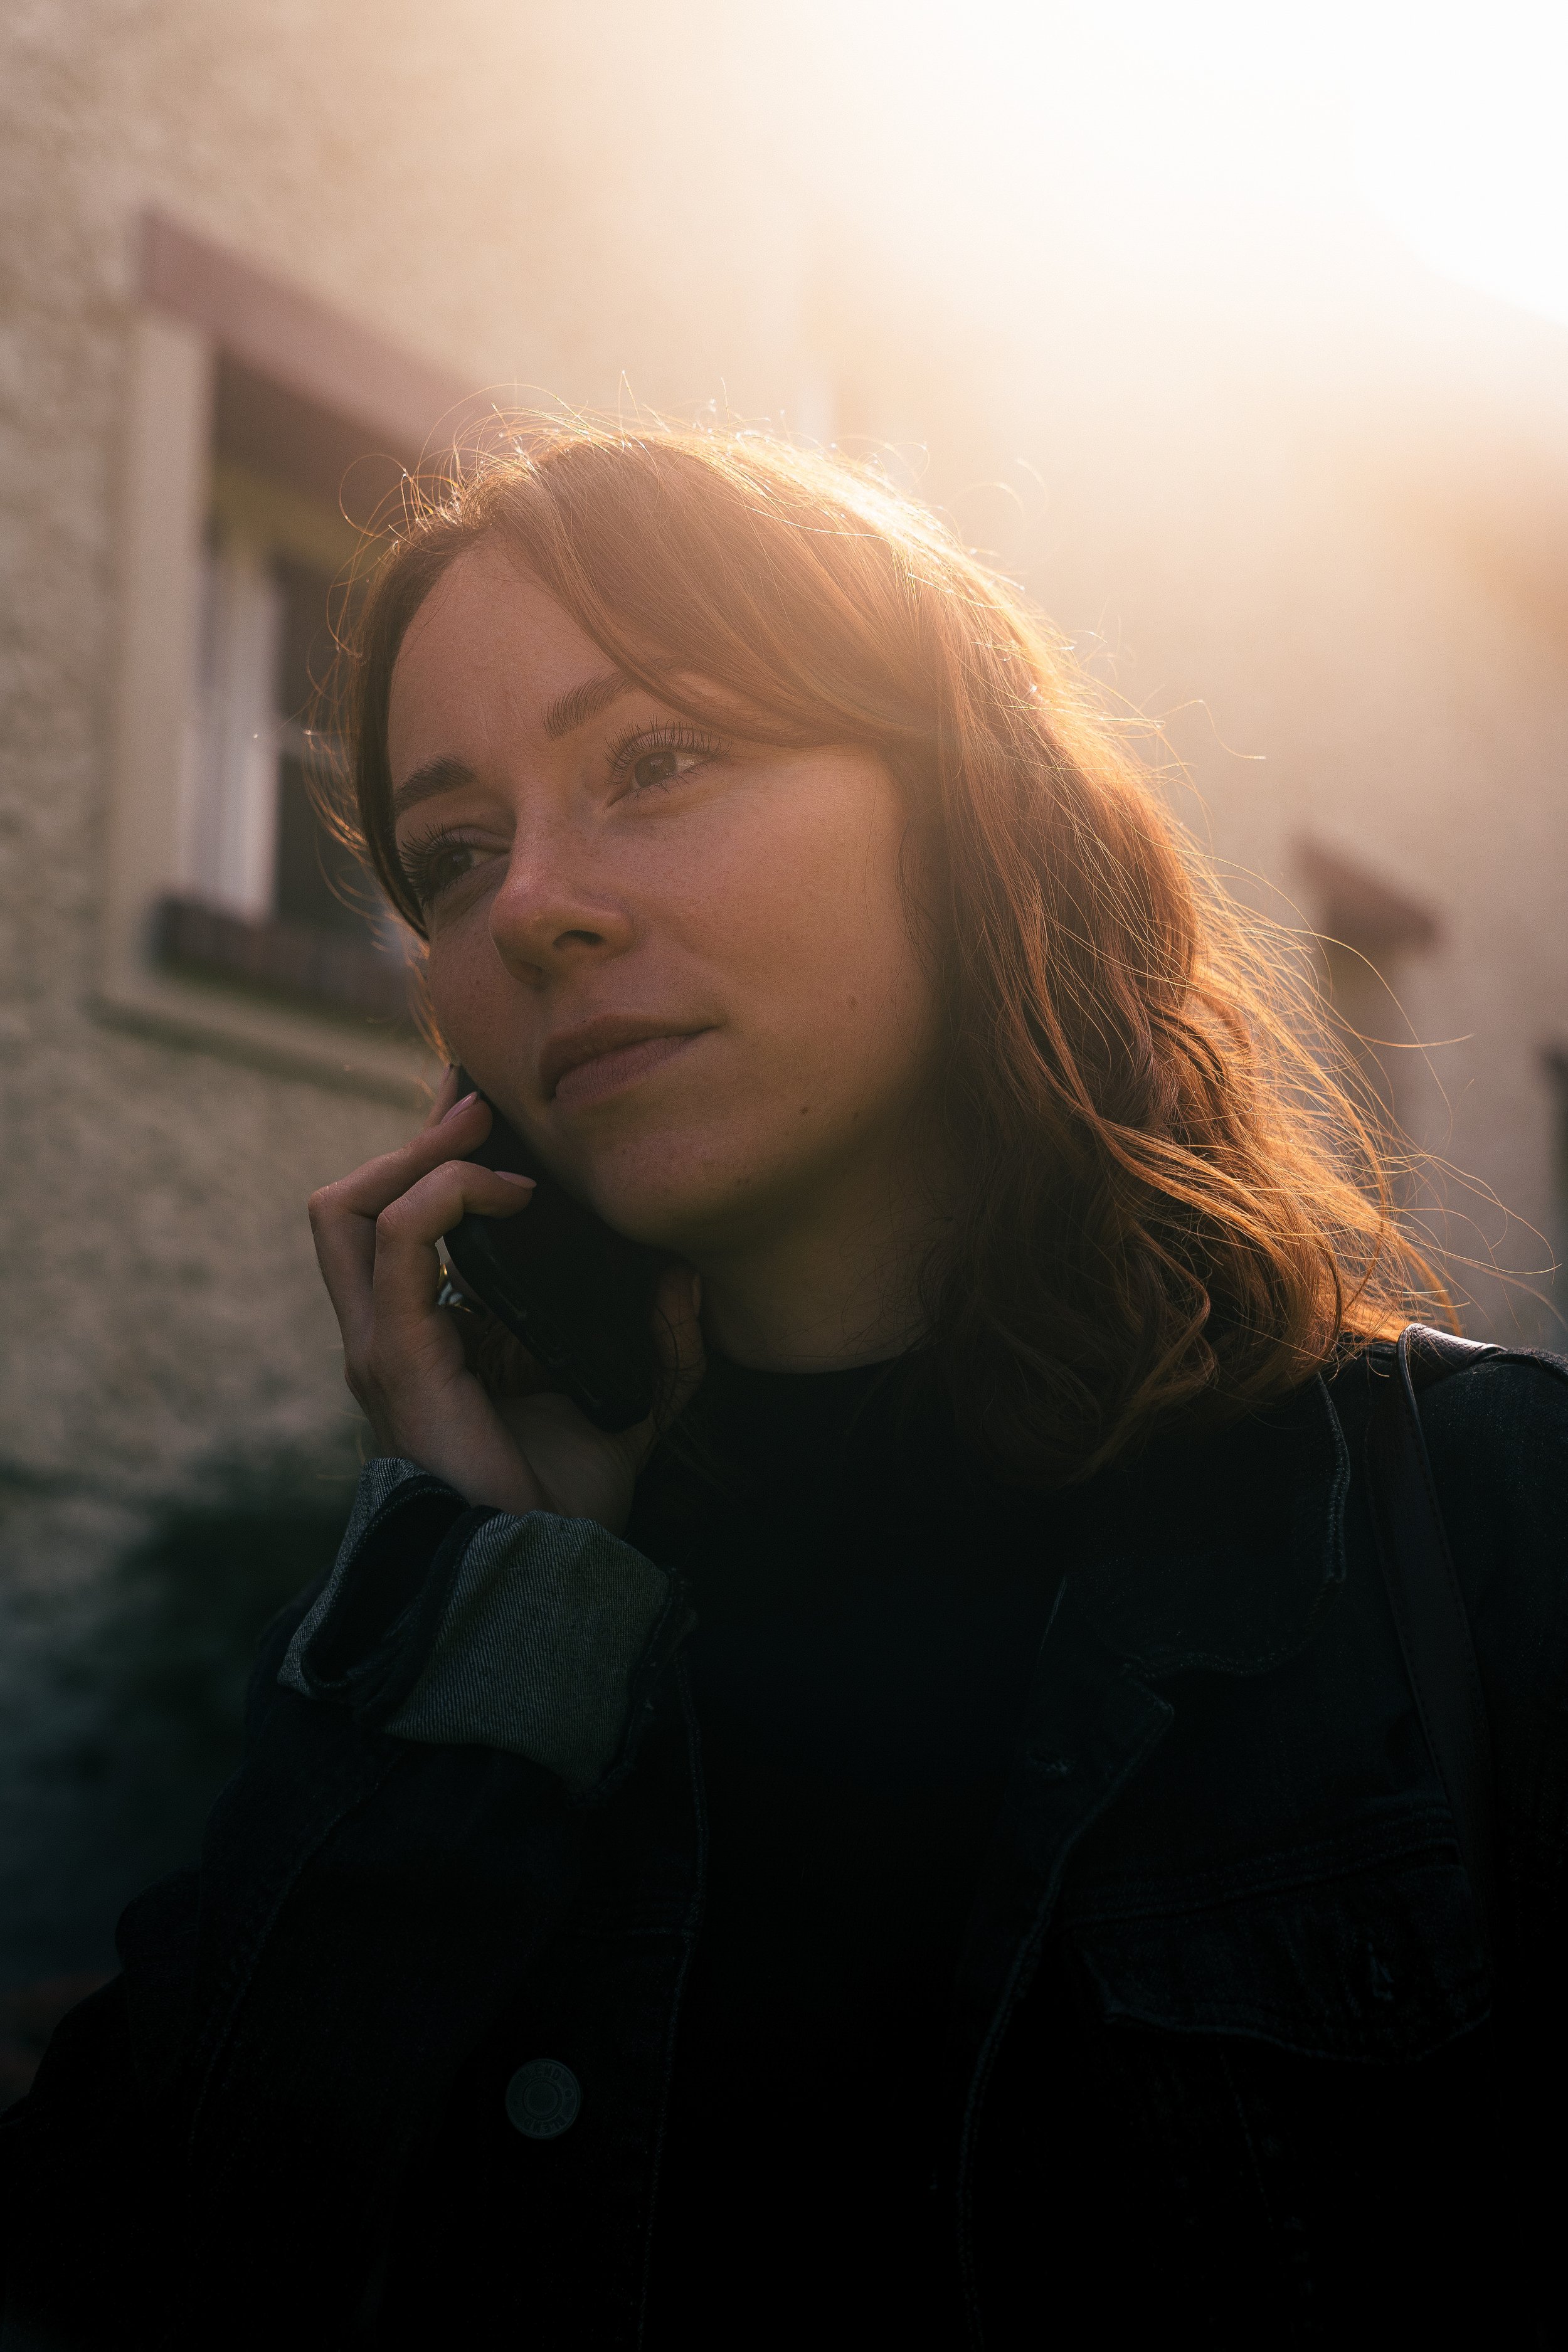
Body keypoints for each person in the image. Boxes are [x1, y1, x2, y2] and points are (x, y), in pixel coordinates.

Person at [3, 422, 1564, 2350]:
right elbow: (129, 2269)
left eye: (657, 760)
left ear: (966, 809)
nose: (530, 908)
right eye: (453, 854)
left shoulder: (1474, 1528)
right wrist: (491, 1609)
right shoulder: (500, 1598)